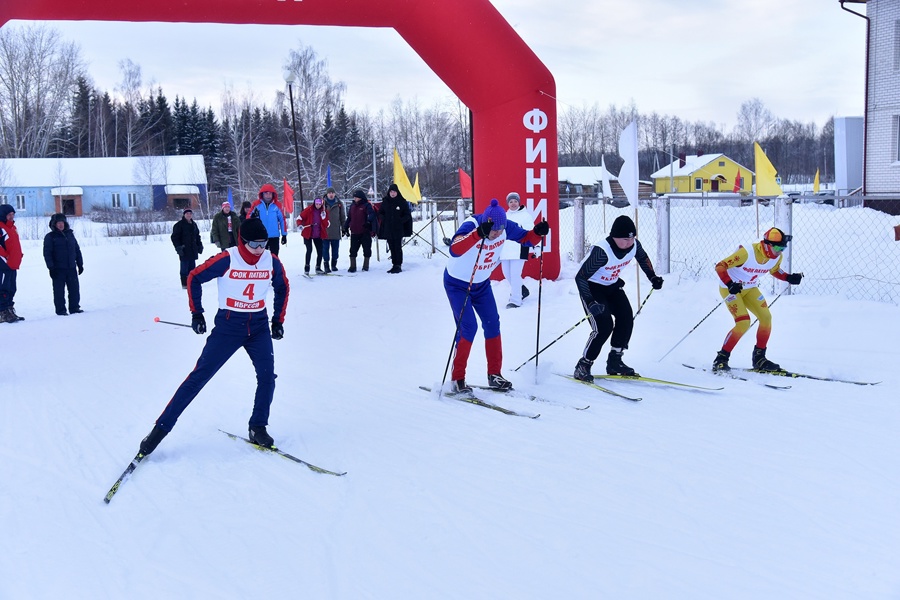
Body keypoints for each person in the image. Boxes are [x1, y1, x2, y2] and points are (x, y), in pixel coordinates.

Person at [136, 217, 290, 456]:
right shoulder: (228, 258)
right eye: (254, 245)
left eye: (264, 244)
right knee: (198, 378)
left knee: (268, 377)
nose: (260, 250)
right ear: (242, 241)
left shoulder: (271, 261)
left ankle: (258, 426)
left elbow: (283, 287)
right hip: (229, 326)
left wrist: (277, 320)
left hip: (258, 326)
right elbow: (194, 277)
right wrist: (197, 313)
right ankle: (158, 431)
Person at [445, 198, 549, 393]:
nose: (498, 234)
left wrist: (538, 232)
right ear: (487, 223)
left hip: (481, 284)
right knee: (468, 327)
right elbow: (454, 249)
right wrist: (477, 234)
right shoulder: (472, 225)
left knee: (493, 324)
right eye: (494, 231)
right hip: (457, 284)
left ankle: (495, 374)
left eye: (501, 231)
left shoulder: (504, 226)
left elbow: (527, 238)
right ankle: (457, 378)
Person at [572, 215, 664, 381]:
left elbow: (643, 258)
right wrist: (590, 302)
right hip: (592, 288)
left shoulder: (634, 245)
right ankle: (584, 365)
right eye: (624, 239)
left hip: (612, 286)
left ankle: (615, 360)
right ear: (614, 237)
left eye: (631, 238)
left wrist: (652, 277)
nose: (629, 242)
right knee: (604, 326)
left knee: (626, 316)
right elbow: (580, 277)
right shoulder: (602, 251)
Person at [712, 227, 803, 372]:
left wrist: (788, 277)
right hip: (731, 288)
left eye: (783, 248)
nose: (780, 251)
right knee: (743, 323)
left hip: (750, 288)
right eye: (778, 247)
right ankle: (721, 359)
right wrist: (729, 283)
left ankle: (759, 358)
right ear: (768, 245)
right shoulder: (747, 253)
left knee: (766, 318)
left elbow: (774, 270)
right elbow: (720, 266)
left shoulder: (776, 257)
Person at [498, 192, 536, 308]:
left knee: (515, 275)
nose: (513, 204)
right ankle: (522, 290)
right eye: (510, 202)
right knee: (507, 274)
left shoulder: (525, 215)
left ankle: (515, 300)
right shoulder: (504, 215)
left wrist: (535, 246)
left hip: (519, 248)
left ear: (519, 202)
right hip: (505, 250)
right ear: (508, 204)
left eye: (515, 201)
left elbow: (531, 232)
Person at [42, 213, 84, 316]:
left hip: (71, 267)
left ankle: (74, 308)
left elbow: (76, 250)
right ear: (54, 224)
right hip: (58, 269)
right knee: (59, 292)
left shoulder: (70, 234)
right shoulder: (50, 237)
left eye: (62, 223)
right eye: (58, 223)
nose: (61, 225)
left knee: (74, 289)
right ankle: (61, 311)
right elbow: (47, 253)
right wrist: (51, 268)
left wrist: (80, 264)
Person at [343, 189, 379, 273]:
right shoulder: (352, 206)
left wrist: (368, 222)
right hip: (354, 232)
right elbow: (349, 217)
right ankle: (352, 266)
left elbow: (372, 214)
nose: (355, 198)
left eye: (356, 197)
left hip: (365, 231)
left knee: (366, 249)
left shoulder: (366, 205)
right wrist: (346, 226)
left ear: (361, 198)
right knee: (353, 250)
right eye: (354, 197)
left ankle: (366, 266)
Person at [379, 183, 412, 274]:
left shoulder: (402, 202)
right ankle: (394, 264)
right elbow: (380, 212)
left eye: (394, 192)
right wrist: (384, 218)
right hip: (388, 228)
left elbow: (407, 215)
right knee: (391, 247)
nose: (393, 193)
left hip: (398, 229)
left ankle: (398, 265)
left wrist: (400, 221)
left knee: (397, 247)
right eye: (391, 192)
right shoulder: (385, 201)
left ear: (397, 192)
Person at [0, 204, 24, 323]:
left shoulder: (13, 228)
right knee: (3, 288)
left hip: (13, 264)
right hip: (3, 264)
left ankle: (9, 309)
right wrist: (6, 257)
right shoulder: (1, 227)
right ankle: (2, 312)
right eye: (9, 214)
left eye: (13, 214)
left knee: (11, 288)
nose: (11, 216)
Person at [251, 183, 288, 256]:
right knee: (261, 258)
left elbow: (282, 220)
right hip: (261, 236)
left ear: (273, 194)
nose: (268, 195)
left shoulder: (277, 205)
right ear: (262, 194)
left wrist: (284, 235)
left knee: (274, 257)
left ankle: (274, 268)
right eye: (266, 193)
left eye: (270, 193)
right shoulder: (256, 204)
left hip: (274, 236)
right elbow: (248, 218)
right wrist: (252, 217)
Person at [171, 208, 203, 289]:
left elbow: (197, 236)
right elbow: (174, 237)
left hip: (192, 249)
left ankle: (191, 282)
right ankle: (184, 284)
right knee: (184, 268)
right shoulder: (179, 225)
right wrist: (178, 247)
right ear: (184, 215)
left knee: (192, 268)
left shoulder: (194, 224)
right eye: (187, 214)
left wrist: (199, 245)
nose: (189, 215)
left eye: (190, 213)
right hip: (184, 250)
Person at [297, 197, 330, 274]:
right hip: (308, 233)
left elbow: (326, 225)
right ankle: (307, 268)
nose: (318, 205)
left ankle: (318, 267)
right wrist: (300, 225)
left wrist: (324, 218)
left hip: (318, 234)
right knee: (309, 250)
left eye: (319, 204)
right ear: (314, 203)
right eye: (316, 204)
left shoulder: (324, 212)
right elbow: (299, 218)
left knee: (320, 251)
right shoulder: (309, 210)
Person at [321, 187, 345, 272]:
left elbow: (342, 217)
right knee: (325, 250)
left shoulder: (339, 203)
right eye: (329, 193)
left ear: (334, 194)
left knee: (335, 250)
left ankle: (334, 264)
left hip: (335, 230)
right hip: (325, 231)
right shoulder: (322, 203)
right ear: (327, 194)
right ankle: (326, 265)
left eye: (332, 193)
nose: (331, 194)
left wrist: (344, 228)